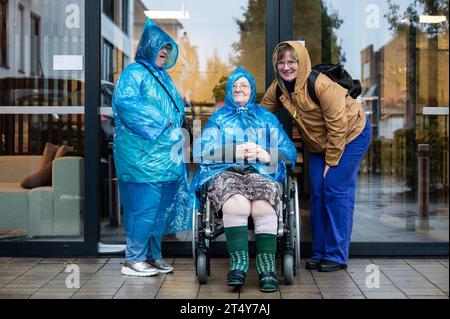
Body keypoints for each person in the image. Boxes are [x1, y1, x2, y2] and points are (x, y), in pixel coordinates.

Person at [261, 41, 371, 272]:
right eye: (281, 62)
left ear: (301, 63)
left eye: (292, 62)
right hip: (319, 142)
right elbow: (261, 115)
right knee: (318, 193)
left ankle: (336, 255)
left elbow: (338, 125)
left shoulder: (320, 84)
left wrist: (331, 161)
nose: (286, 67)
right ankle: (320, 252)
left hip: (351, 135)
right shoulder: (279, 88)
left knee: (334, 188)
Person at [191, 67, 297, 292]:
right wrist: (232, 152)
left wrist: (266, 153)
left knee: (263, 207)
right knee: (236, 204)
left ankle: (266, 267)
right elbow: (200, 150)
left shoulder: (266, 118)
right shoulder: (218, 119)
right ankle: (238, 263)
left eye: (244, 86)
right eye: (234, 86)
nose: (239, 89)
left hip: (261, 173)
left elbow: (289, 152)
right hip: (227, 173)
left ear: (252, 90)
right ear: (229, 91)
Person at [112, 18, 191, 277]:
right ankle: (133, 259)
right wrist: (162, 121)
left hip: (165, 158)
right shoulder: (134, 73)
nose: (165, 52)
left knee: (159, 209)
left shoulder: (162, 77)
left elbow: (174, 108)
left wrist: (181, 124)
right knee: (144, 207)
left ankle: (153, 256)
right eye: (161, 47)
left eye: (168, 48)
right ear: (148, 46)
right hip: (142, 158)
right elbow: (126, 104)